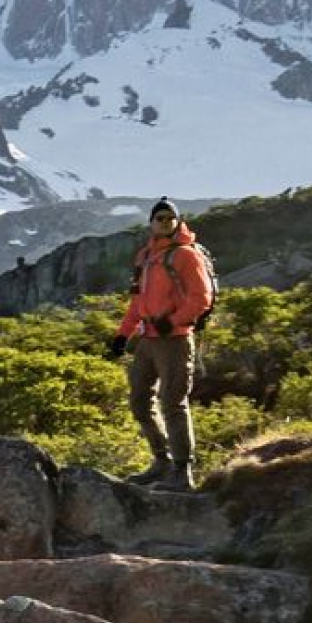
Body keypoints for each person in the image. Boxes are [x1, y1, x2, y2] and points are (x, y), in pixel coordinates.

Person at [108, 198, 215, 491]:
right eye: (160, 218)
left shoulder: (185, 255)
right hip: (147, 340)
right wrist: (122, 335)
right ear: (151, 223)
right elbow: (136, 303)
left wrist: (175, 321)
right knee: (140, 402)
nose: (165, 222)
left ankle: (183, 473)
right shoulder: (145, 256)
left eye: (170, 218)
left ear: (178, 222)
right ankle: (161, 462)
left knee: (173, 404)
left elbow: (201, 298)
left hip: (175, 340)